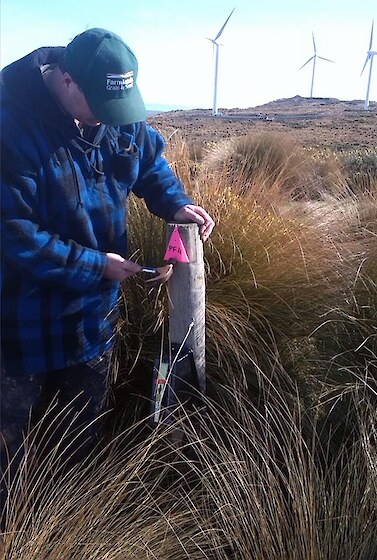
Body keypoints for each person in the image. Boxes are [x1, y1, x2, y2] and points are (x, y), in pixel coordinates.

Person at [0, 28, 214, 511]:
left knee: (77, 440)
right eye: (100, 107)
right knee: (9, 450)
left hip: (92, 321)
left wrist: (176, 205)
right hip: (18, 326)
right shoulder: (9, 123)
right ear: (68, 80)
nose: (108, 121)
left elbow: (148, 163)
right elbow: (13, 233)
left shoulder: (113, 113)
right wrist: (98, 265)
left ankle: (69, 526)